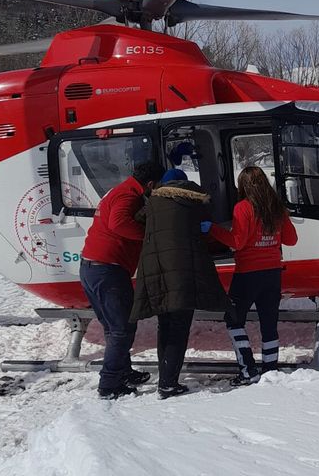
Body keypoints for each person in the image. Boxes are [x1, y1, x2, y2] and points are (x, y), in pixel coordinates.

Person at [130, 169, 232, 399]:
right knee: (178, 327)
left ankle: (165, 377)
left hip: (157, 271)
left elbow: (137, 219)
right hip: (184, 273)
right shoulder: (195, 203)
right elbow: (207, 229)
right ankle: (168, 383)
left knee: (164, 325)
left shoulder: (153, 203)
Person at [204, 166, 298, 386]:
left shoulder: (243, 208)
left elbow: (237, 242)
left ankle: (248, 369)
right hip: (273, 273)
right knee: (269, 323)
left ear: (243, 186)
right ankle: (270, 370)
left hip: (247, 274)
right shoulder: (277, 209)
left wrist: (213, 229)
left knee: (234, 320)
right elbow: (291, 240)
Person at [80, 161, 165, 400]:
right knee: (122, 329)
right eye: (157, 186)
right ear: (150, 184)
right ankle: (109, 385)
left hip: (95, 268)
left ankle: (123, 371)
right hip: (107, 270)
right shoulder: (128, 195)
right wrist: (147, 236)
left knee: (113, 328)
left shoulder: (122, 190)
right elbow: (117, 223)